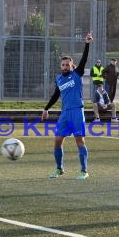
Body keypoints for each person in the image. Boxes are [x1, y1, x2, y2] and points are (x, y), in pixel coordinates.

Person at [42, 31, 93, 180]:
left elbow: (84, 60)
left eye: (67, 65)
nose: (65, 66)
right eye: (63, 64)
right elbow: (56, 95)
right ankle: (59, 169)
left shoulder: (77, 74)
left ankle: (84, 171)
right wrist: (46, 109)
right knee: (57, 140)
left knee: (80, 140)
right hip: (64, 113)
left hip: (77, 111)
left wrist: (87, 44)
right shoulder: (59, 79)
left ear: (72, 66)